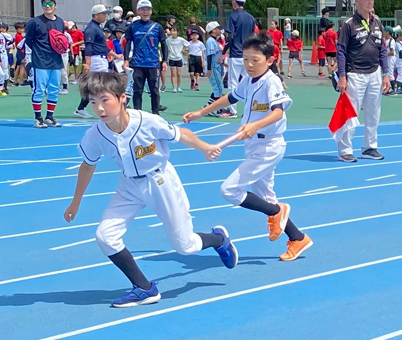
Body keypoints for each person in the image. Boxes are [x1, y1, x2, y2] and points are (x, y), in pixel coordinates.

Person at [63, 71, 237, 307]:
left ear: (122, 97)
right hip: (129, 185)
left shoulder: (147, 121)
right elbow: (87, 166)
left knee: (184, 246)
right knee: (105, 236)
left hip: (161, 181)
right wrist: (76, 201)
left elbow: (180, 134)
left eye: (105, 100)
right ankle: (144, 288)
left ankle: (218, 239)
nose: (99, 108)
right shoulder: (95, 134)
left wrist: (205, 147)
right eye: (93, 102)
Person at [184, 33, 313, 262]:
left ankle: (276, 212)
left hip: (269, 146)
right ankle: (298, 237)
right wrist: (200, 112)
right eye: (245, 59)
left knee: (230, 190)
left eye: (255, 60)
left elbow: (278, 112)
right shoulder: (248, 79)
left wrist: (255, 125)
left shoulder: (271, 81)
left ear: (270, 60)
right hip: (254, 144)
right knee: (266, 196)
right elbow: (230, 98)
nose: (249, 65)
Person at [334, 0, 390, 163]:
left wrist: (386, 73)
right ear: (357, 1)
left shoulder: (377, 22)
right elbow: (341, 50)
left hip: (374, 72)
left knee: (374, 112)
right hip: (355, 73)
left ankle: (370, 147)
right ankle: (345, 149)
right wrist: (342, 76)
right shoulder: (349, 24)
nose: (370, 1)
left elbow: (382, 49)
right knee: (350, 113)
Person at [24, 0, 68, 128]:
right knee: (39, 90)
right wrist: (39, 52)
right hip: (40, 61)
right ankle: (38, 118)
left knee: (54, 89)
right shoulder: (34, 22)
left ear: (55, 6)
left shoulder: (60, 22)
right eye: (44, 3)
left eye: (50, 3)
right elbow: (28, 40)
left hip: (56, 61)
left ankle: (49, 116)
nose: (47, 6)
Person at [123, 0, 167, 115]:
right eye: (143, 9)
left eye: (148, 9)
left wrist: (164, 61)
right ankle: (138, 114)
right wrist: (126, 60)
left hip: (153, 63)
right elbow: (127, 43)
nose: (145, 12)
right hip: (137, 64)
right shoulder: (133, 27)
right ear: (138, 11)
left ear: (151, 11)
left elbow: (163, 44)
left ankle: (155, 113)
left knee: (154, 91)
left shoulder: (157, 27)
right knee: (137, 90)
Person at [73, 5, 112, 119]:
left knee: (97, 85)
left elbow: (102, 46)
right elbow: (88, 46)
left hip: (101, 58)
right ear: (96, 15)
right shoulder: (91, 28)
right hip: (96, 59)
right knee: (98, 84)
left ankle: (81, 107)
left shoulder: (97, 27)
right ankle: (83, 107)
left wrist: (112, 55)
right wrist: (88, 62)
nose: (105, 16)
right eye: (103, 14)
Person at [223, 0, 256, 116]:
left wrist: (223, 52)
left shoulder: (233, 16)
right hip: (247, 55)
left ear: (234, 2)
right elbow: (253, 36)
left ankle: (232, 110)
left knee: (233, 83)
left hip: (235, 54)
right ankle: (252, 110)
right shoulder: (251, 18)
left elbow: (230, 36)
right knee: (250, 82)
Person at [204, 22, 230, 118]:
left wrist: (223, 63)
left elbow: (216, 55)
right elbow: (210, 56)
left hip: (217, 65)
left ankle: (208, 107)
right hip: (213, 66)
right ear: (213, 30)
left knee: (218, 88)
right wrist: (209, 69)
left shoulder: (215, 41)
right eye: (218, 28)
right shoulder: (211, 41)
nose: (220, 29)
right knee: (218, 88)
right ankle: (217, 109)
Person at [165, 26, 186, 93]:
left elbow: (187, 45)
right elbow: (165, 46)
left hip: (179, 58)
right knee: (173, 73)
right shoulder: (168, 40)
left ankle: (179, 87)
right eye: (172, 31)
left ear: (177, 32)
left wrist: (183, 49)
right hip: (171, 58)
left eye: (174, 31)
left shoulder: (181, 39)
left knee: (179, 74)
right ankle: (174, 87)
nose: (173, 32)